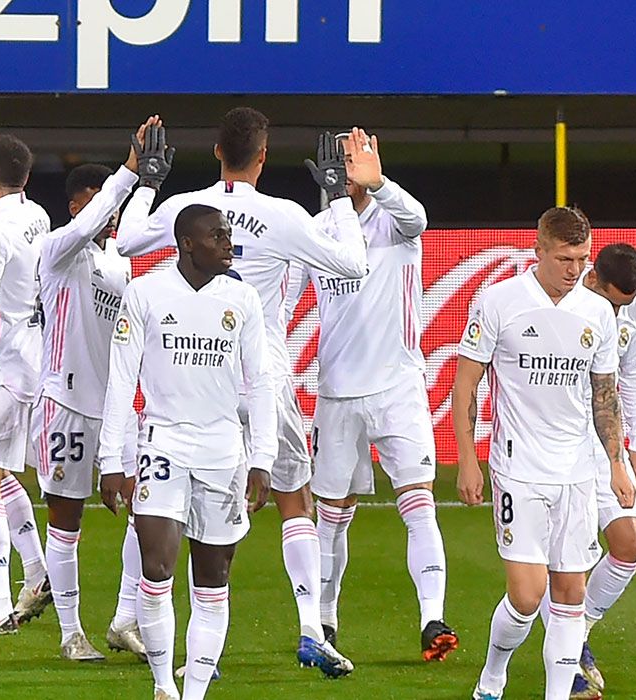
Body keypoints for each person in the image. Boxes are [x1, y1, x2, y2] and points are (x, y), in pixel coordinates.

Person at [116, 107, 367, 677]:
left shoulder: (187, 209)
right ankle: (310, 627)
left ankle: (131, 612)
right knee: (293, 499)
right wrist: (337, 200)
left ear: (215, 152)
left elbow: (127, 242)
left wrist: (148, 183)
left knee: (163, 501)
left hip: (191, 374)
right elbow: (353, 267)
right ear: (264, 155)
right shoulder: (282, 215)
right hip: (259, 374)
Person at [451, 207, 636, 700]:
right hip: (518, 468)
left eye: (581, 258)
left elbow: (605, 395)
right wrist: (467, 457)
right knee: (527, 596)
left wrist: (616, 464)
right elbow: (465, 383)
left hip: (576, 470)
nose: (574, 269)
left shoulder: (597, 312)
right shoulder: (498, 302)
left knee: (571, 593)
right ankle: (493, 674)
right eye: (563, 258)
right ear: (538, 251)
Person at [99, 204, 275, 700]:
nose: (228, 242)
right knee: (156, 569)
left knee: (213, 580)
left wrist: (262, 455)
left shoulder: (242, 298)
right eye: (217, 235)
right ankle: (161, 684)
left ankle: (193, 692)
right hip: (163, 443)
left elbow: (261, 381)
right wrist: (112, 460)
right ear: (188, 243)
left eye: (229, 234)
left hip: (223, 451)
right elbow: (121, 380)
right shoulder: (146, 293)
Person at [294, 128, 457, 659]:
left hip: (398, 388)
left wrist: (379, 180)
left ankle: (433, 619)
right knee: (332, 514)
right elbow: (287, 297)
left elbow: (419, 219)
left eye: (352, 160)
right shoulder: (315, 231)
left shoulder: (395, 220)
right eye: (337, 161)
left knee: (419, 503)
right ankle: (324, 621)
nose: (344, 170)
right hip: (338, 392)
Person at [30, 118, 160, 660]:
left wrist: (145, 187)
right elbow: (91, 223)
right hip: (64, 402)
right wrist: (130, 175)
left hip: (115, 412)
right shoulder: (57, 250)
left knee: (149, 511)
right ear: (74, 208)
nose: (101, 217)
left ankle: (125, 616)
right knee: (67, 519)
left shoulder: (120, 267)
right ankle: (69, 633)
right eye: (91, 207)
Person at [547, 242, 636, 698]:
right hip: (559, 447)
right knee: (565, 565)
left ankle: (580, 630)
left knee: (628, 545)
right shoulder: (560, 305)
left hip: (605, 445)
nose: (618, 311)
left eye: (625, 304)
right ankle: (565, 667)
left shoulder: (630, 303)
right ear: (591, 278)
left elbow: (632, 371)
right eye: (613, 300)